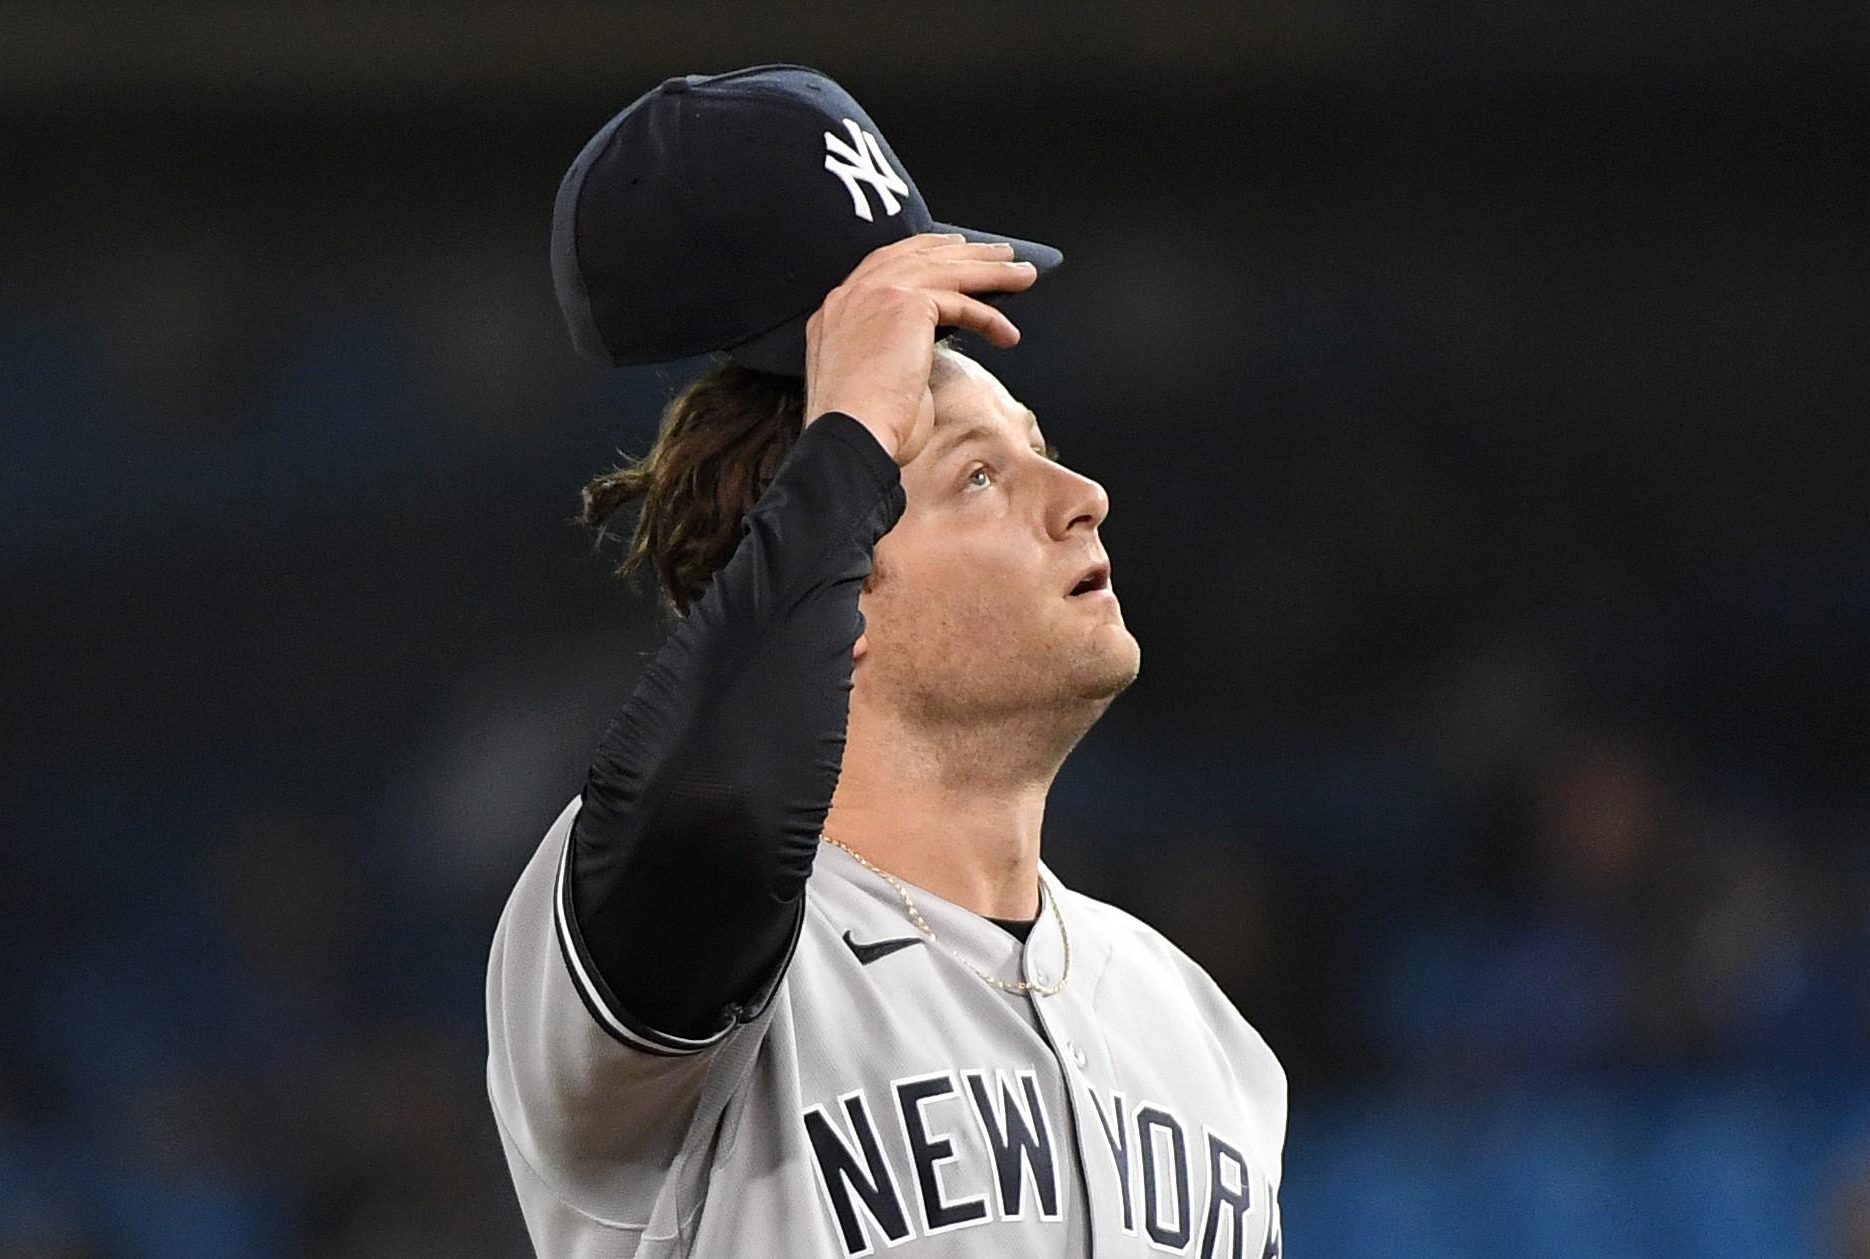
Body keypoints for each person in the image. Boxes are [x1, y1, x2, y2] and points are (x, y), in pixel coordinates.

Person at [486, 66, 1287, 1258]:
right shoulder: (662, 962)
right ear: (833, 579)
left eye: (1042, 450)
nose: (1081, 498)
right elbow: (718, 821)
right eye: (976, 475)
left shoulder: (1197, 1025)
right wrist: (850, 427)